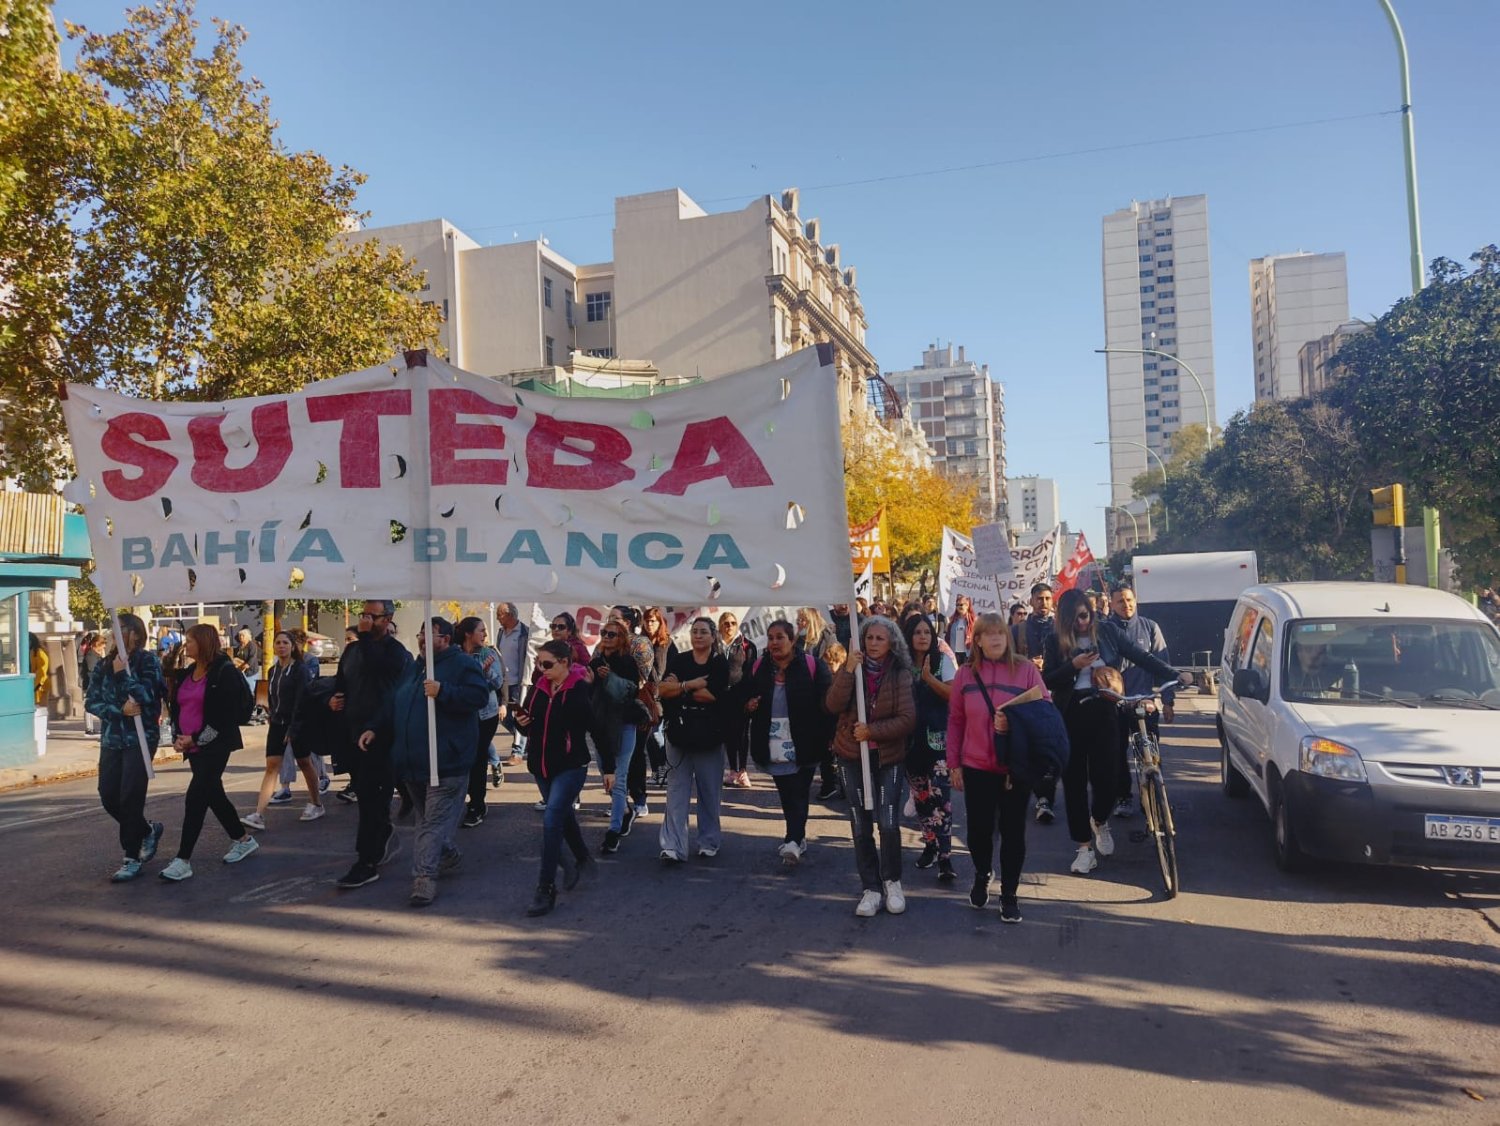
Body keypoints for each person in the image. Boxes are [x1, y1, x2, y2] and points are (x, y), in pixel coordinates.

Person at [1042, 589, 1188, 876]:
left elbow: (1140, 655)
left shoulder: (1107, 632)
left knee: (1108, 779)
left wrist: (1173, 674)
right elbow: (1047, 679)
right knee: (1073, 783)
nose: (1082, 623)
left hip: (1105, 709)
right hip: (1070, 714)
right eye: (1075, 619)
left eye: (1086, 615)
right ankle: (1084, 849)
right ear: (1065, 619)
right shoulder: (1053, 640)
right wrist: (1073, 665)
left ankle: (1100, 820)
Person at [358, 617, 489, 907]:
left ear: (445, 639)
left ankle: (424, 879)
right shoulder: (413, 668)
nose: (421, 640)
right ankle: (448, 854)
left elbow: (478, 696)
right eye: (419, 634)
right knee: (430, 823)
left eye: (428, 635)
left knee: (430, 824)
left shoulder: (462, 664)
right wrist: (374, 727)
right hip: (412, 763)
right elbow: (393, 702)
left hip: (446, 763)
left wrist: (444, 691)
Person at [947, 612, 1049, 923]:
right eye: (988, 634)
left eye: (1000, 633)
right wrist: (954, 764)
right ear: (976, 640)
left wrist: (1016, 720)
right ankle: (982, 871)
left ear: (1007, 638)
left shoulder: (1026, 670)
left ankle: (1009, 894)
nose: (995, 639)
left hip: (1015, 767)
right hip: (976, 765)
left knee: (1013, 832)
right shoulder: (965, 675)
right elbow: (955, 721)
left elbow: (1046, 712)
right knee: (978, 832)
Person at [824, 616, 916, 917]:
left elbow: (907, 719)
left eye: (880, 638)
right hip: (851, 755)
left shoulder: (900, 673)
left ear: (891, 642)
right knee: (859, 822)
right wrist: (848, 670)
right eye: (869, 638)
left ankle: (892, 881)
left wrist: (872, 732)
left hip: (887, 756)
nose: (873, 643)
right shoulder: (853, 668)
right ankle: (871, 887)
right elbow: (833, 705)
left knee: (888, 821)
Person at [158, 625, 259, 881]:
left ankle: (183, 859)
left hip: (215, 744)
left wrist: (196, 738)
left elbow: (225, 716)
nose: (187, 645)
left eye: (190, 641)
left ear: (203, 643)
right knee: (213, 793)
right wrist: (180, 736)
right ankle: (242, 838)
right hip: (192, 745)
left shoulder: (223, 672)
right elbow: (178, 706)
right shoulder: (189, 672)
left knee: (196, 797)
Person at [514, 639, 602, 917]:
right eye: (540, 664)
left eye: (548, 664)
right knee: (562, 816)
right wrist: (521, 723)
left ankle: (545, 888)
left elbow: (596, 730)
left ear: (565, 663)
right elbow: (531, 725)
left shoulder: (577, 691)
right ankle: (583, 859)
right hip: (541, 766)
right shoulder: (539, 687)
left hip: (571, 766)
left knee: (552, 820)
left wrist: (610, 770)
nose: (542, 669)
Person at [332, 600, 413, 890]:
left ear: (387, 619)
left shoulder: (395, 653)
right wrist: (334, 698)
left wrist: (365, 637)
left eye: (372, 617)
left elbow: (380, 671)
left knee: (372, 798)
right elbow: (342, 681)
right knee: (367, 798)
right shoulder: (353, 650)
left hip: (380, 736)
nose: (366, 621)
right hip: (353, 735)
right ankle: (381, 837)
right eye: (363, 615)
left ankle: (367, 861)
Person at [86, 614, 167, 882]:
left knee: (130, 797)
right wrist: (117, 710)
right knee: (108, 794)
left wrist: (124, 676)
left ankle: (131, 857)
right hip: (112, 738)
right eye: (113, 629)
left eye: (120, 629)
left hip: (140, 738)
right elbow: (92, 701)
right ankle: (146, 830)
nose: (114, 633)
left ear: (134, 632)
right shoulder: (105, 664)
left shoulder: (148, 661)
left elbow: (147, 696)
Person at [745, 619, 832, 865]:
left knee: (800, 789)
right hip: (772, 739)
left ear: (792, 640)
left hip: (805, 739)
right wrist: (749, 705)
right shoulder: (760, 666)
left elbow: (827, 703)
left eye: (780, 637)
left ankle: (793, 839)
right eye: (770, 637)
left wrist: (830, 736)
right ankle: (796, 836)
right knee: (786, 791)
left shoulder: (813, 665)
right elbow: (746, 695)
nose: (774, 642)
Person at [657, 617, 729, 864]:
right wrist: (690, 685)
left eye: (703, 632)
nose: (698, 635)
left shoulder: (720, 663)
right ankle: (673, 846)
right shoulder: (680, 659)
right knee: (676, 791)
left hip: (710, 735)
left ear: (712, 636)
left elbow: (711, 696)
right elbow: (663, 690)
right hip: (679, 734)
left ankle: (709, 841)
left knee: (709, 792)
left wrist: (680, 687)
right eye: (695, 631)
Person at [242, 631, 323, 831]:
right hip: (277, 723)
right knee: (272, 766)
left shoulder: (300, 670)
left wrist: (294, 727)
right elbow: (272, 697)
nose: (281, 646)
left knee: (304, 762)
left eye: (285, 642)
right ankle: (259, 814)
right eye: (278, 642)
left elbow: (301, 700)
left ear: (293, 646)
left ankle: (316, 803)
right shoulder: (273, 670)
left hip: (297, 723)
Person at [1109, 585, 1176, 818]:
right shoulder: (1105, 630)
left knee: (1151, 752)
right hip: (1115, 703)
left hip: (1144, 702)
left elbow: (1163, 664)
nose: (1125, 605)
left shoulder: (1150, 627)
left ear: (1135, 601)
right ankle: (1123, 797)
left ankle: (1157, 794)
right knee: (1117, 754)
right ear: (1111, 604)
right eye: (1120, 601)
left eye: (1129, 600)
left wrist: (1167, 700)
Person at [902, 614, 957, 883]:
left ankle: (946, 857)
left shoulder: (942, 661)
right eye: (917, 632)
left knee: (942, 801)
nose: (923, 636)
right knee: (921, 798)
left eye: (927, 632)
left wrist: (928, 678)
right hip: (910, 743)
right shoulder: (899, 664)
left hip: (938, 742)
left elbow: (953, 694)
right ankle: (930, 844)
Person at [592, 617, 646, 854]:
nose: (606, 637)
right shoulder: (596, 662)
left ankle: (613, 832)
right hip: (600, 726)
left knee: (619, 777)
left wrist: (609, 678)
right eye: (604, 633)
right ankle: (625, 810)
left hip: (624, 723)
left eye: (612, 634)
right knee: (606, 773)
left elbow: (631, 690)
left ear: (622, 638)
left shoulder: (627, 662)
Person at [456, 617, 506, 829]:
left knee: (478, 757)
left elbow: (497, 682)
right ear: (468, 633)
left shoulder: (489, 654)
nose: (485, 634)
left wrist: (483, 672)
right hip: (461, 713)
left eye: (485, 630)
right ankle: (464, 799)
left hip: (486, 714)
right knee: (463, 757)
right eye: (481, 630)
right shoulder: (455, 654)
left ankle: (477, 804)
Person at [1025, 582, 1060, 824]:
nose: (1044, 603)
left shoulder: (1061, 628)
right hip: (1026, 698)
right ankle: (1040, 795)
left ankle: (1046, 796)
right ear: (1031, 601)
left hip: (1057, 697)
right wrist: (1027, 663)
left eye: (1048, 598)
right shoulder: (1018, 630)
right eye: (1039, 599)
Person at [718, 611, 758, 788]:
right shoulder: (715, 645)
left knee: (742, 734)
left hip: (741, 696)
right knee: (728, 734)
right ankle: (733, 769)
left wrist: (751, 697)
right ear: (720, 625)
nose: (729, 626)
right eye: (726, 623)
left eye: (733, 623)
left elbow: (751, 673)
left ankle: (743, 771)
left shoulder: (747, 645)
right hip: (721, 697)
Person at [640, 606, 676, 787]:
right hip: (644, 696)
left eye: (653, 620)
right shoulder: (641, 642)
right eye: (646, 620)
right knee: (648, 736)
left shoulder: (666, 643)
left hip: (662, 696)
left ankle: (665, 768)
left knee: (657, 734)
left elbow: (660, 672)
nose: (649, 624)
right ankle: (656, 770)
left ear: (659, 622)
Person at [495, 602, 530, 762]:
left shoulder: (524, 633)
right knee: (504, 716)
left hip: (518, 682)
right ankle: (526, 739)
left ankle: (518, 752)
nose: (497, 617)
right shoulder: (501, 632)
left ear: (510, 615)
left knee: (518, 715)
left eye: (500, 614)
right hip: (503, 682)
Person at [82, 632, 106, 736]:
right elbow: (92, 671)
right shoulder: (91, 655)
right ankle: (89, 728)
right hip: (90, 684)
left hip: (94, 684)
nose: (102, 651)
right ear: (96, 645)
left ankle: (97, 727)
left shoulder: (96, 655)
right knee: (89, 705)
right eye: (101, 648)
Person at [945, 595, 975, 665]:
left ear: (967, 606)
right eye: (957, 605)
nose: (959, 607)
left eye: (961, 605)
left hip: (967, 653)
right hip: (955, 652)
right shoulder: (952, 620)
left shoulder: (973, 621)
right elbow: (948, 637)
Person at [29, 634, 48, 708]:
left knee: (40, 710)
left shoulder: (39, 653)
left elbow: (42, 671)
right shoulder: (31, 652)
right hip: (35, 684)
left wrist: (36, 687)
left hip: (39, 685)